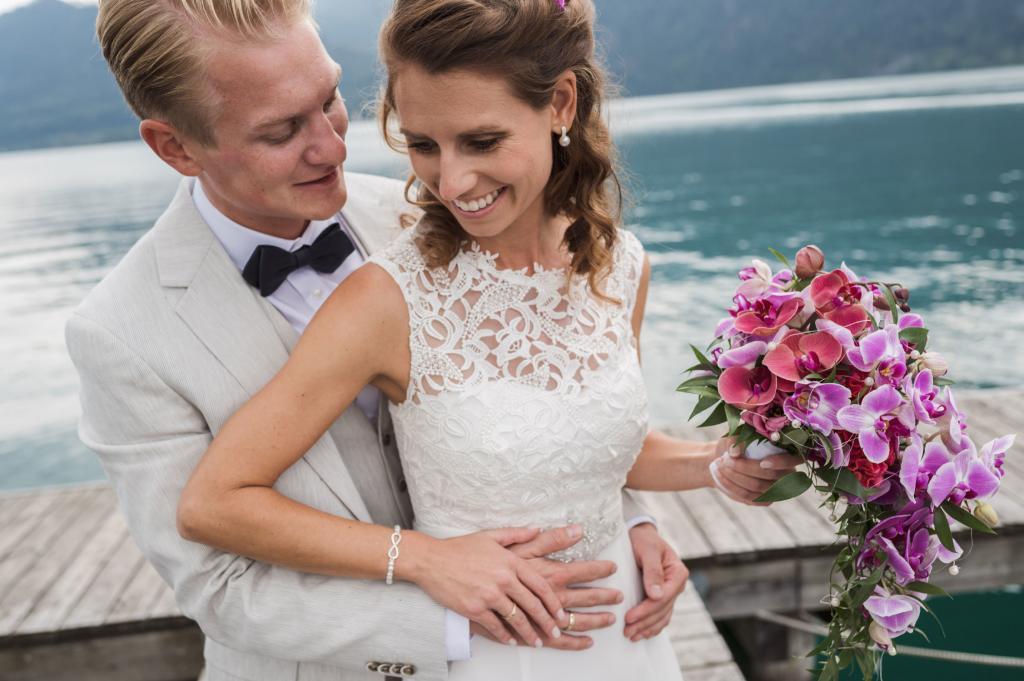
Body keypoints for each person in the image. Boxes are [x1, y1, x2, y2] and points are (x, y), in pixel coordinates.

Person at [64, 1, 791, 679]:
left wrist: (627, 519)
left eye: (330, 100)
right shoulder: (120, 334)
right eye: (282, 130)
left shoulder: (451, 212)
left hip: (608, 630)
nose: (331, 146)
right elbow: (222, 585)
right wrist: (431, 573)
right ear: (175, 147)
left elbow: (563, 409)